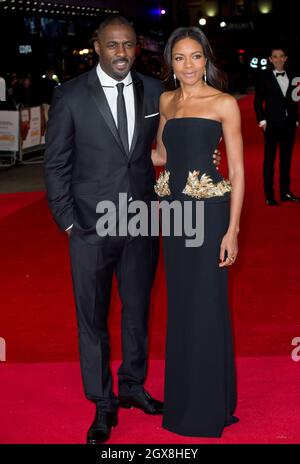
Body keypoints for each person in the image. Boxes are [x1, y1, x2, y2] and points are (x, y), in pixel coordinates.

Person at [44, 16, 221, 444]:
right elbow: (55, 164)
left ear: (136, 47)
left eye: (127, 45)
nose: (121, 53)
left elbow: (163, 151)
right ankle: (103, 402)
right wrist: (68, 220)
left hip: (141, 220)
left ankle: (131, 385)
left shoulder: (154, 91)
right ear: (97, 47)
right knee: (93, 318)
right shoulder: (70, 95)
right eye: (112, 45)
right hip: (89, 225)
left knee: (137, 311)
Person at [152, 27, 244, 437]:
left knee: (206, 305)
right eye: (179, 58)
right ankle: (186, 399)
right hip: (173, 216)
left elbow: (238, 172)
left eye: (195, 57)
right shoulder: (166, 100)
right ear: (170, 63)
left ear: (206, 59)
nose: (188, 65)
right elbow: (161, 155)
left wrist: (233, 230)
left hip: (209, 215)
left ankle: (208, 408)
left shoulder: (224, 103)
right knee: (181, 305)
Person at [254, 47, 300, 205]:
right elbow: (258, 102)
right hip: (272, 124)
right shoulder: (264, 77)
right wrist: (263, 121)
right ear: (270, 59)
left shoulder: (294, 76)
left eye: (281, 56)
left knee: (286, 160)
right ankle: (269, 195)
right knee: (269, 160)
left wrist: (296, 119)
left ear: (285, 58)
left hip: (289, 125)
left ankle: (285, 192)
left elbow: (294, 100)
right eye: (275, 57)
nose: (279, 59)